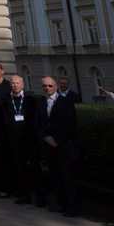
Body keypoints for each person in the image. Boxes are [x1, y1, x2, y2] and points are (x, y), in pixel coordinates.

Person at [38, 77, 80, 216]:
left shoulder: (66, 102)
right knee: (55, 176)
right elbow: (37, 123)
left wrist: (57, 139)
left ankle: (72, 206)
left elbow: (70, 122)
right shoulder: (41, 103)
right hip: (48, 146)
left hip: (63, 145)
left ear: (55, 86)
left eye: (50, 85)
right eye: (45, 86)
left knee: (67, 176)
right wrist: (45, 137)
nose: (47, 88)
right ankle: (61, 203)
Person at [2, 75, 45, 206]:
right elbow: (5, 118)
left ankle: (40, 198)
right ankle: (25, 195)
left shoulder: (30, 99)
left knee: (35, 168)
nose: (15, 85)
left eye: (17, 83)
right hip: (15, 138)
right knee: (21, 168)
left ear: (22, 85)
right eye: (13, 83)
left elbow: (35, 118)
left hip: (30, 138)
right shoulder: (6, 99)